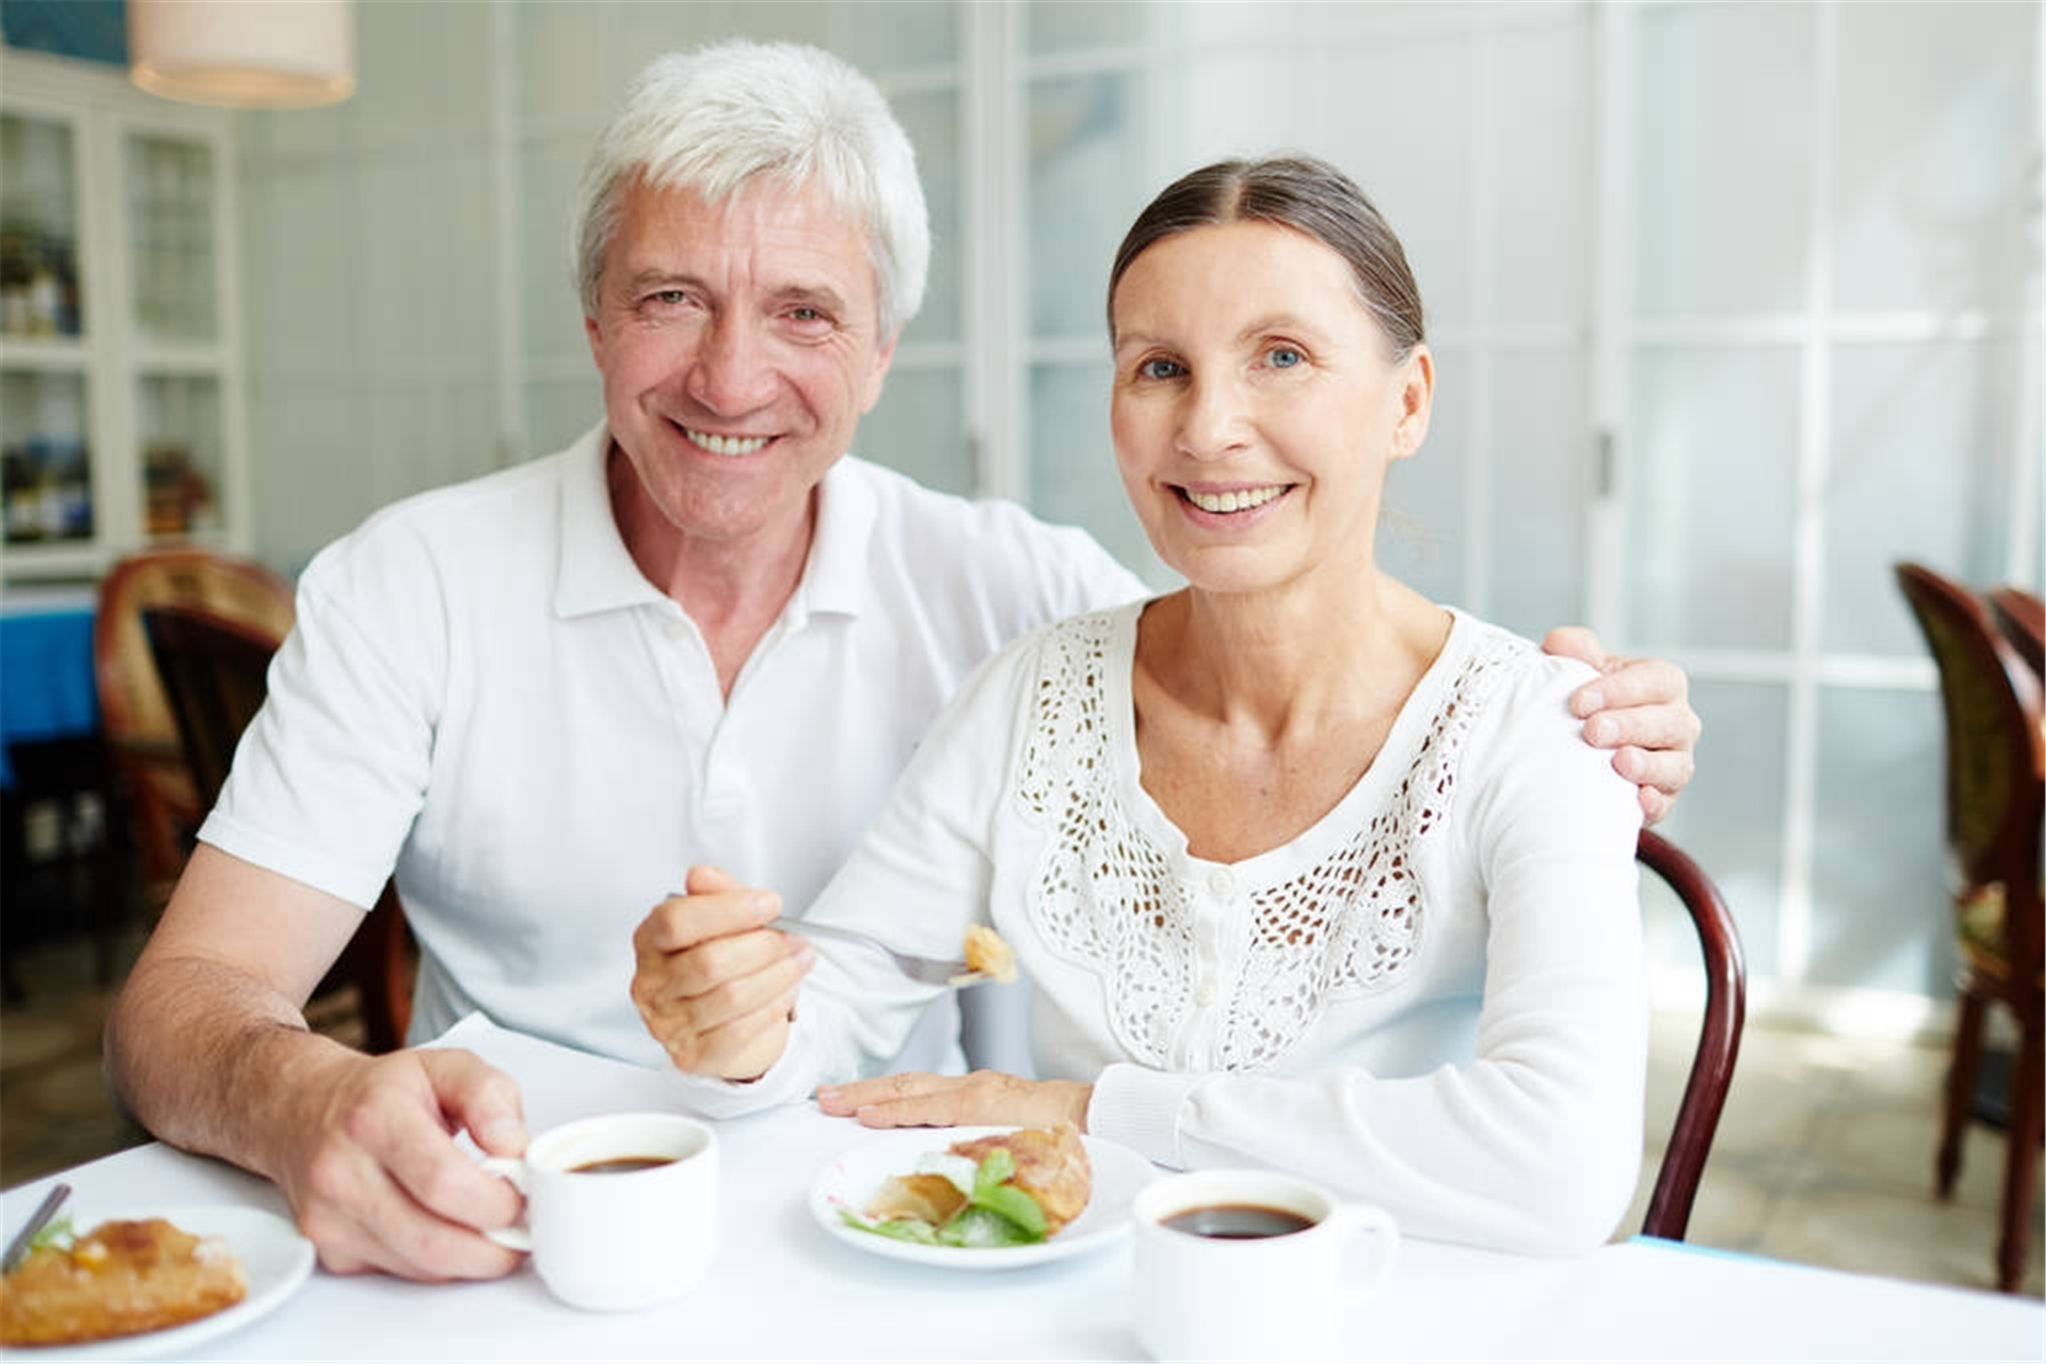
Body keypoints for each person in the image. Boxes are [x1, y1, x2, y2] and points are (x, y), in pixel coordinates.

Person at [105, 41, 1696, 1284]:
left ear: (881, 352)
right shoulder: (416, 582)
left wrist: (1568, 714)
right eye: (671, 297)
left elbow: (1278, 586)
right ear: (594, 317)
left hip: (991, 1231)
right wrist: (308, 1092)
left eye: (802, 310)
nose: (731, 375)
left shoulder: (1008, 593)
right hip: (544, 1220)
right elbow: (184, 1002)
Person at [641, 154, 1655, 1257]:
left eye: (1282, 356)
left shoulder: (1540, 729)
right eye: (1160, 366)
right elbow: (838, 991)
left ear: (1406, 401)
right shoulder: (1037, 693)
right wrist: (740, 1025)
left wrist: (1090, 1110)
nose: (1211, 427)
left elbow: (1560, 1164)